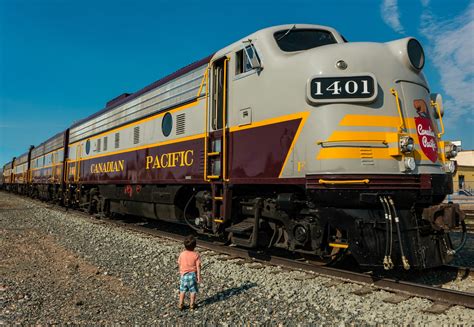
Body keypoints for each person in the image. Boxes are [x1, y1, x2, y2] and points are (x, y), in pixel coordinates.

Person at [177, 235, 201, 310]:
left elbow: (179, 263)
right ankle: (192, 304)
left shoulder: (182, 254)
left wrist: (181, 272)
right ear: (195, 246)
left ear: (185, 245)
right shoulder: (196, 255)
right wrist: (199, 277)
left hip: (183, 275)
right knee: (193, 291)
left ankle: (181, 304)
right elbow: (198, 267)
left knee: (182, 290)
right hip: (192, 276)